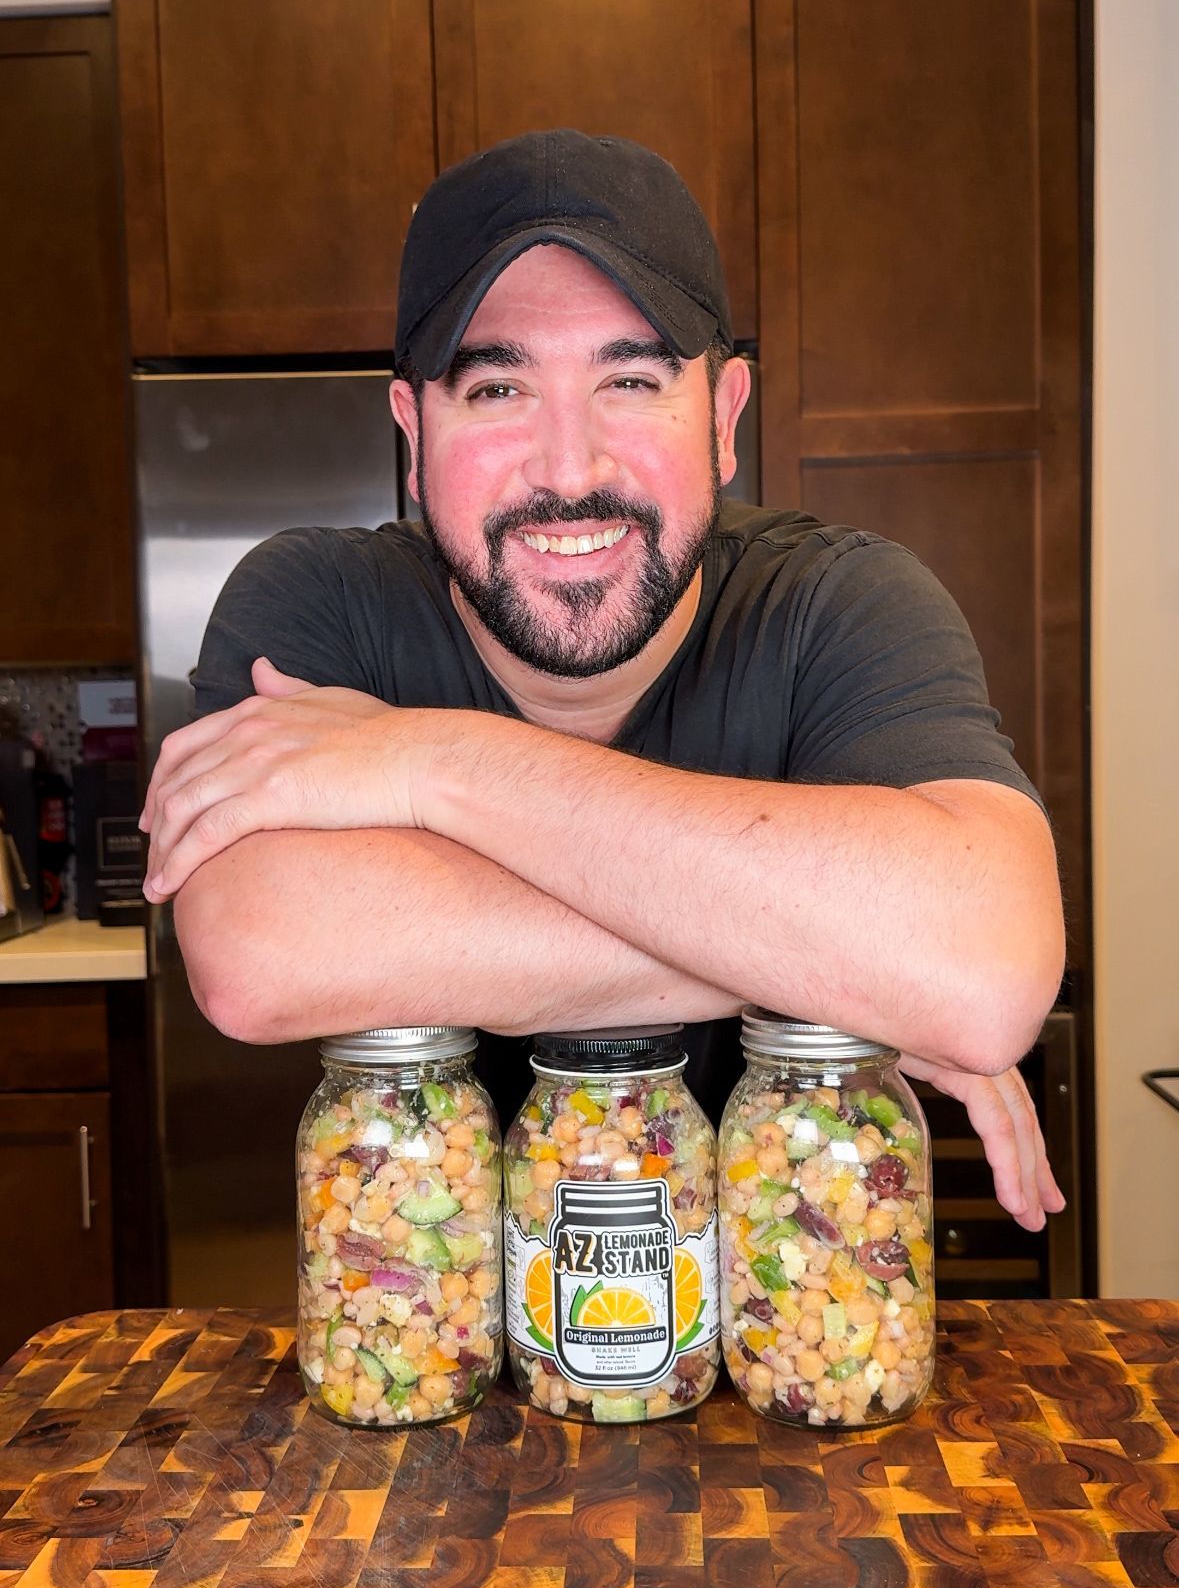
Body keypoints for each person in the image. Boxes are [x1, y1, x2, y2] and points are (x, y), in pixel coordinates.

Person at [141, 129, 1066, 1231]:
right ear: (413, 432)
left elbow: (986, 962)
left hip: (776, 1368)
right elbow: (260, 956)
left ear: (722, 418)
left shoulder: (838, 603)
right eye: (496, 391)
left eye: (629, 380)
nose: (569, 471)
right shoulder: (314, 606)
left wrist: (426, 762)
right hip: (426, 1363)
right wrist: (834, 966)